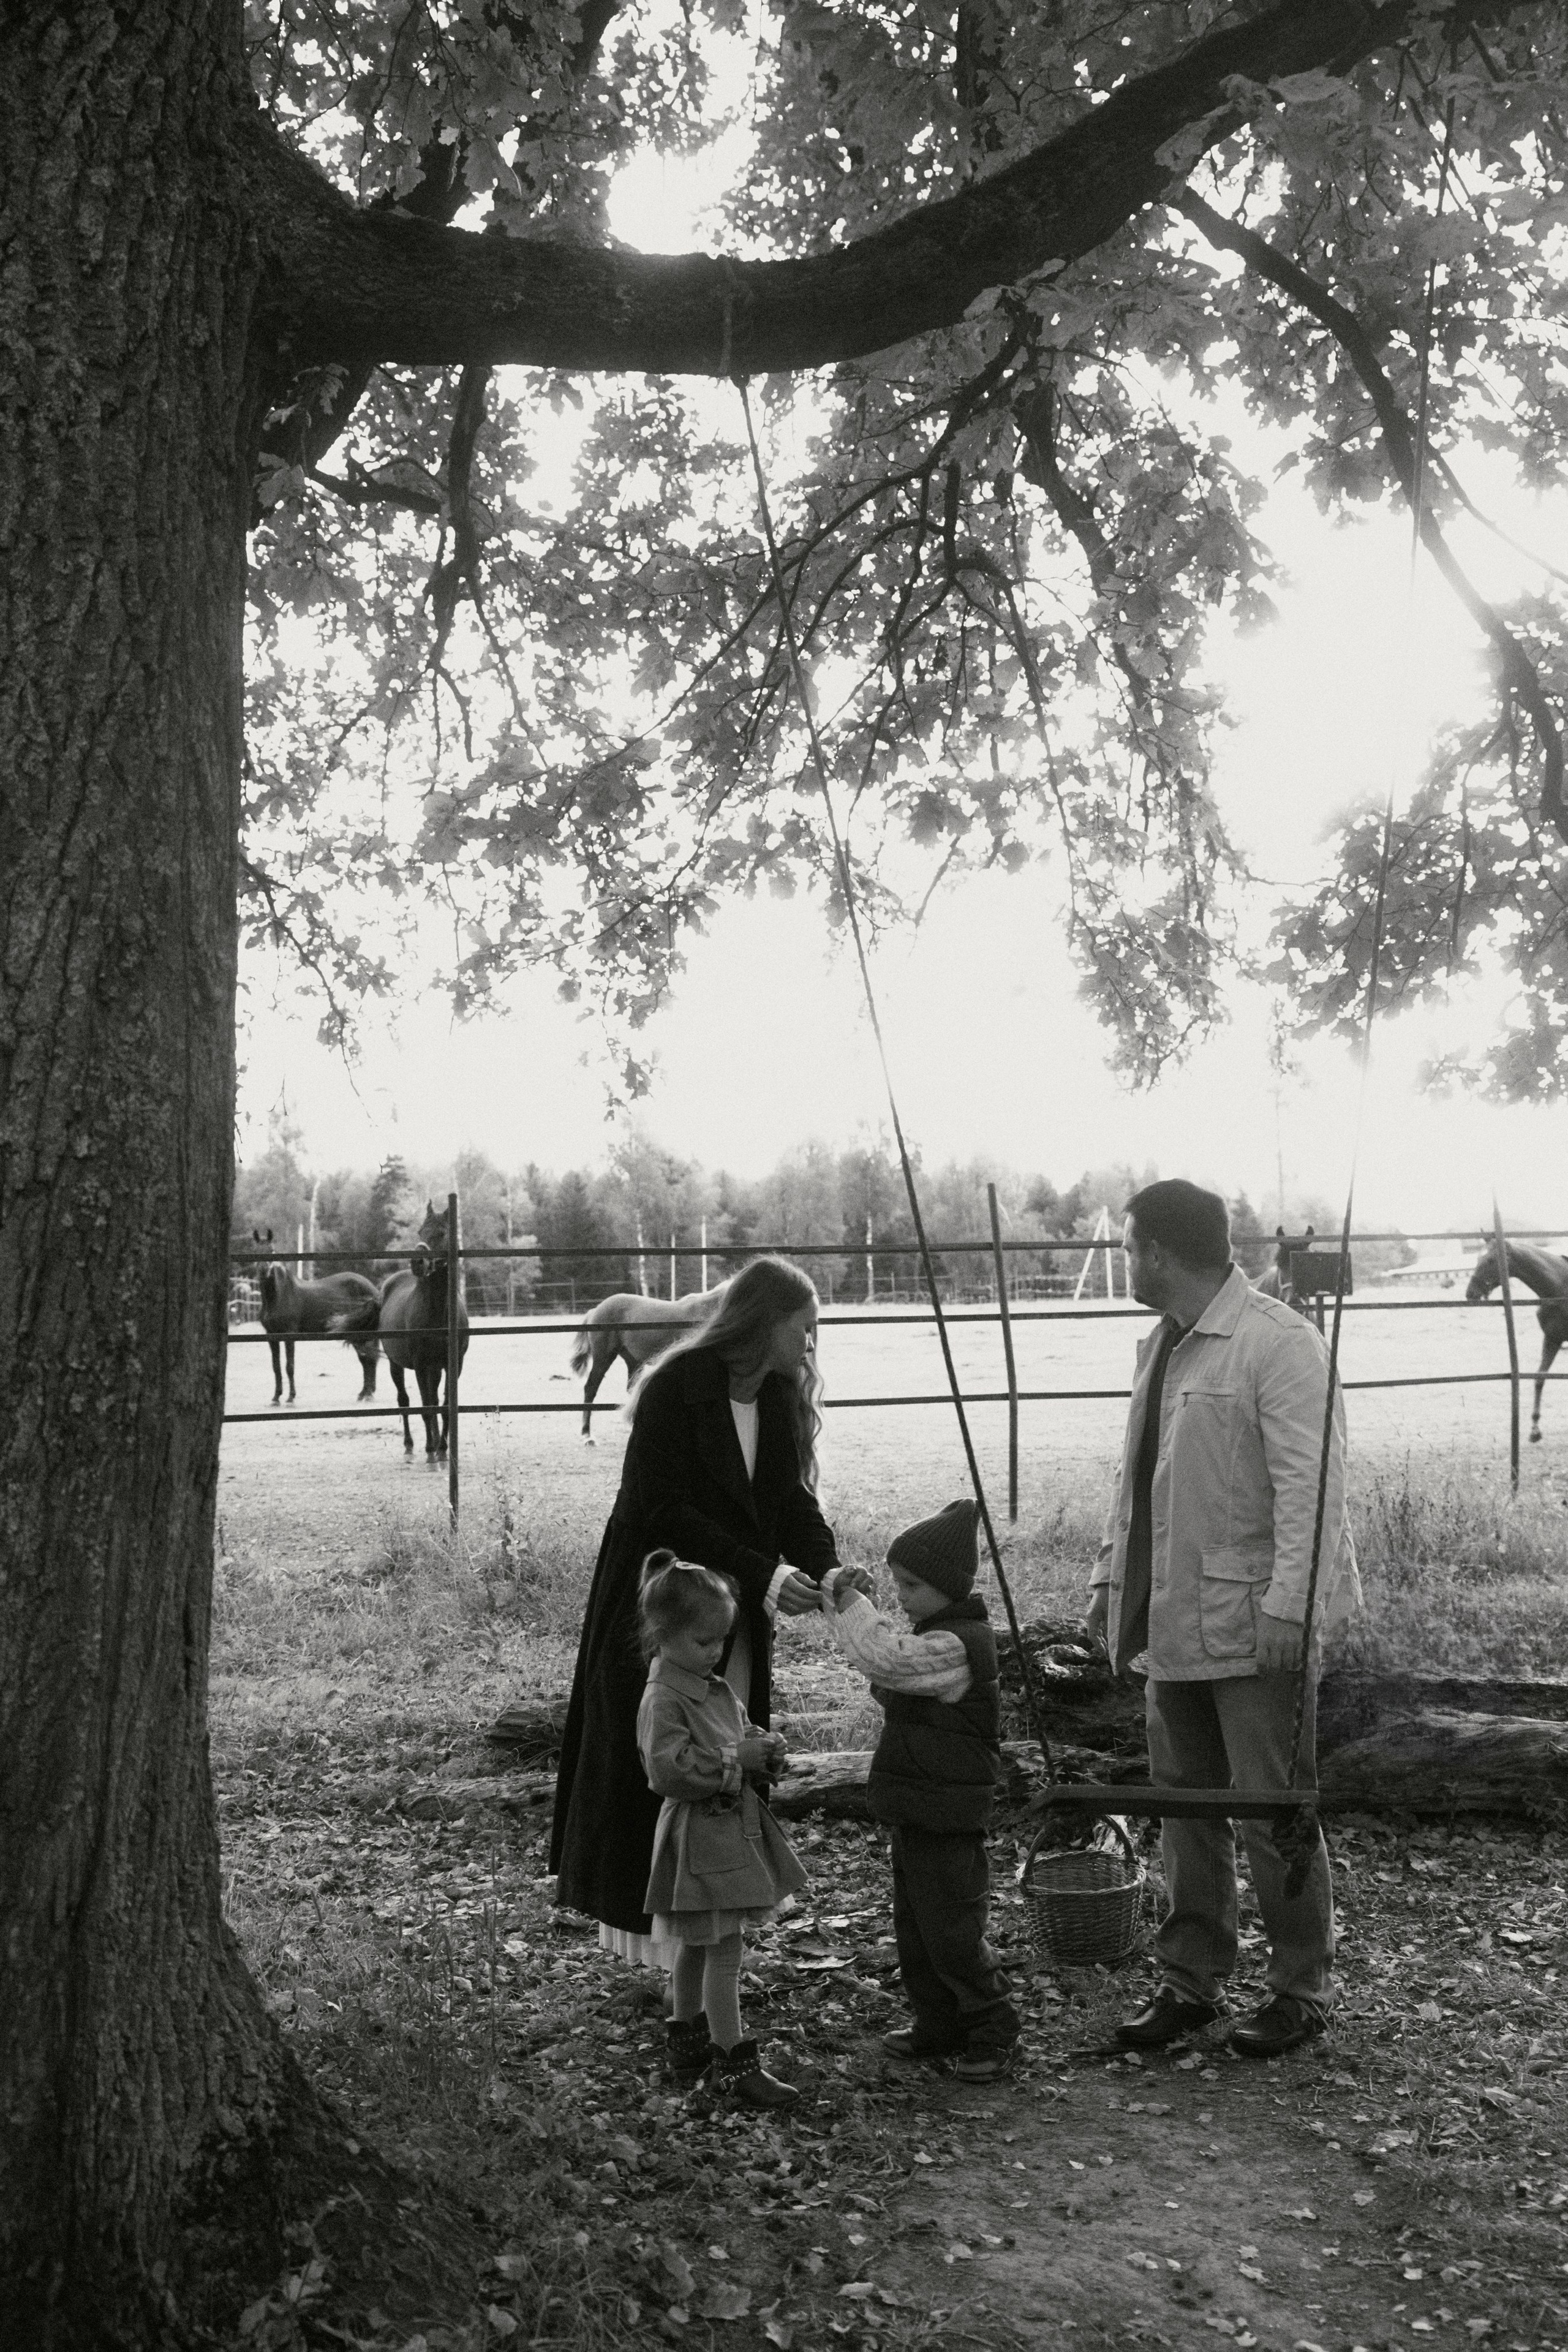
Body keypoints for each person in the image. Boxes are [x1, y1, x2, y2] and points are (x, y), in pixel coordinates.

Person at [1087, 1179, 1362, 2059]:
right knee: (1184, 1810)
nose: (1128, 1262)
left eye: (1130, 1247)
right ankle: (1190, 1981)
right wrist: (1107, 1586)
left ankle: (1299, 1989)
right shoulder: (1161, 1346)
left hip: (1254, 1624)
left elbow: (1312, 1491)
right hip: (1172, 1622)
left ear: (1161, 1252)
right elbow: (1138, 1487)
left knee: (1271, 1810)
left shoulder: (1277, 1345)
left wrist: (1293, 1605)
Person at [550, 1255, 839, 1976]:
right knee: (662, 1757)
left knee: (726, 1749)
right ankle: (663, 1945)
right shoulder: (676, 1389)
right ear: (765, 1322)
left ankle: (717, 1924)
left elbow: (792, 1503)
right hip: (665, 1607)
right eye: (804, 1330)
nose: (810, 1346)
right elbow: (665, 1509)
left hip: (735, 1603)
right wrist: (764, 1572)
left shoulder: (774, 1399)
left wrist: (827, 1568)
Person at [821, 1498, 1020, 2082]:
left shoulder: (957, 1645)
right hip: (920, 1807)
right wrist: (845, 1601)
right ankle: (939, 2022)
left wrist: (849, 1602)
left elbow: (883, 1657)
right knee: (916, 1927)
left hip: (950, 1814)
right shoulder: (937, 1636)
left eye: (910, 1585)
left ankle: (994, 2026)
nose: (901, 1597)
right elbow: (891, 1677)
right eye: (896, 1585)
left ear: (946, 1586)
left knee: (955, 1931)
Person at [636, 1549, 809, 2104]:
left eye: (721, 1642)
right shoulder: (663, 1698)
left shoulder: (713, 1687)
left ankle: (684, 2038)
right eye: (703, 1642)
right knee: (723, 1948)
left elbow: (738, 1729)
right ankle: (733, 2063)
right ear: (662, 1635)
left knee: (699, 1943)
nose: (715, 1653)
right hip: (700, 1838)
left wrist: (766, 1747)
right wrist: (738, 1759)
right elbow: (667, 1768)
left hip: (727, 1833)